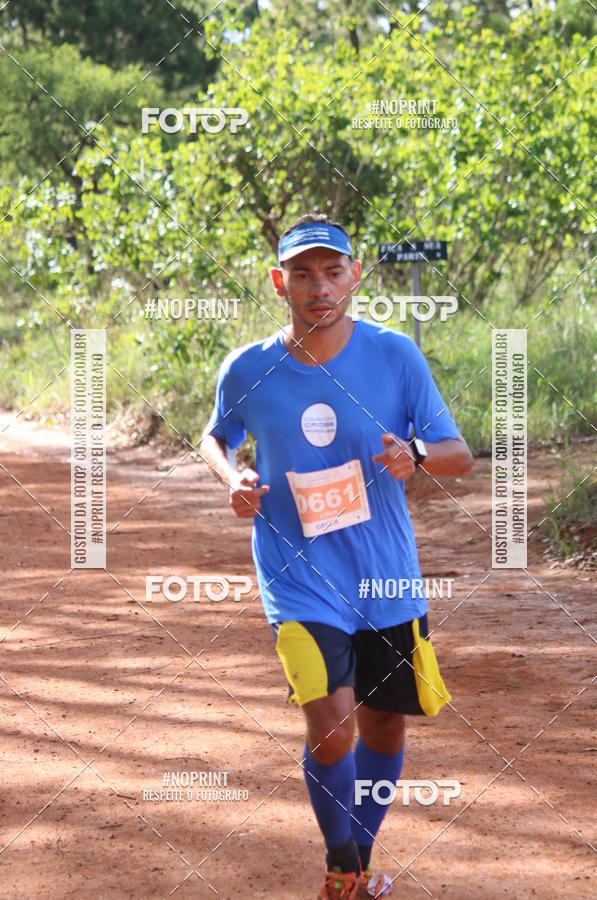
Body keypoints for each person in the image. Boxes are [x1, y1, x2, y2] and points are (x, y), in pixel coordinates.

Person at [200, 213, 473, 898]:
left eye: (331, 271)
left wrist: (414, 455)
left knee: (382, 722)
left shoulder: (395, 357)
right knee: (331, 723)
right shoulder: (249, 369)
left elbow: (458, 455)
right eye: (301, 272)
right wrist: (231, 477)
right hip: (298, 576)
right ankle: (344, 866)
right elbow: (215, 437)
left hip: (385, 576)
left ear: (354, 276)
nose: (318, 286)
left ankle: (359, 853)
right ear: (278, 282)